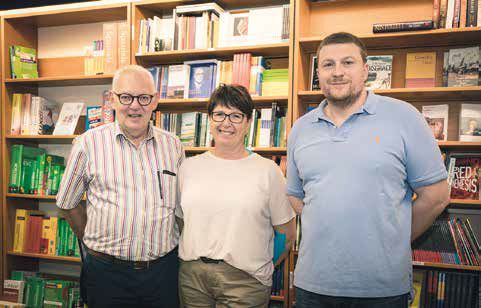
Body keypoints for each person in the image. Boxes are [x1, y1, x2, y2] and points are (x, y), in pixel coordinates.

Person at [287, 32, 450, 308]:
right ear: (318, 72)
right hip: (312, 286)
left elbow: (436, 197)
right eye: (328, 65)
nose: (337, 72)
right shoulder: (300, 129)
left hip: (381, 291)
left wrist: (391, 236)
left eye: (347, 62)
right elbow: (295, 195)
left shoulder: (404, 117)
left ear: (365, 70)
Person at [56, 65, 184, 308]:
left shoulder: (173, 146)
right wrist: (93, 240)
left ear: (155, 101)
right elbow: (67, 204)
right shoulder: (88, 144)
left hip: (162, 274)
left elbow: (179, 209)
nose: (135, 106)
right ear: (113, 100)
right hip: (106, 274)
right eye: (126, 97)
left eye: (144, 97)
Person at [176, 84, 296, 308]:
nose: (226, 123)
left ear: (248, 122)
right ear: (210, 119)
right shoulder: (188, 168)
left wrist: (260, 267)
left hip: (245, 281)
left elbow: (287, 234)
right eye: (219, 114)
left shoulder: (268, 171)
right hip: (192, 279)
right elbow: (182, 222)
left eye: (236, 116)